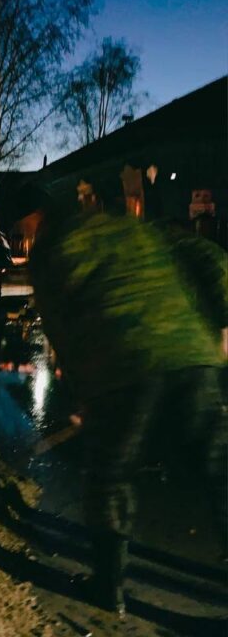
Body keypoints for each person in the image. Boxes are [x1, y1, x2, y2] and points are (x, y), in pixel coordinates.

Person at [27, 188, 228, 615]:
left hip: (120, 364)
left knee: (111, 475)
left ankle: (109, 588)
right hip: (191, 353)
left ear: (36, 220)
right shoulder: (134, 227)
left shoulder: (51, 248)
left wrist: (81, 392)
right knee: (219, 468)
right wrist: (224, 325)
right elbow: (208, 255)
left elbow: (60, 325)